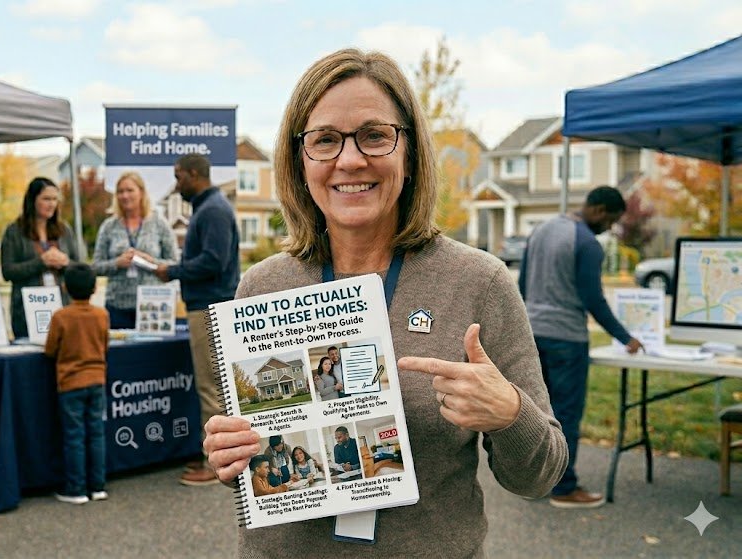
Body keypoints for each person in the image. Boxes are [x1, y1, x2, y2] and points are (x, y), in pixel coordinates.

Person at [203, 48, 567, 557]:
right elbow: (249, 457)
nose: (350, 160)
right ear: (299, 160)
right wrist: (227, 452)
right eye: (325, 140)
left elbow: (541, 475)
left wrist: (510, 413)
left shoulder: (478, 282)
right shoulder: (263, 286)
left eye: (374, 135)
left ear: (410, 153)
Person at [519, 185, 642, 509]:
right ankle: (565, 488)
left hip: (533, 334)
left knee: (537, 413)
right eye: (611, 220)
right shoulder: (587, 243)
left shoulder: (542, 230)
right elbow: (593, 299)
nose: (610, 227)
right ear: (599, 210)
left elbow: (521, 286)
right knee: (566, 414)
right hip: (567, 339)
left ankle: (536, 481)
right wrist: (624, 337)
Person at [155, 154, 240, 486]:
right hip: (208, 305)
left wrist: (171, 270)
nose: (176, 185)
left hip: (209, 306)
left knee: (211, 388)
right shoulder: (210, 208)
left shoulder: (213, 210)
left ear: (194, 174)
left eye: (178, 177)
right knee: (214, 386)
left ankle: (215, 466)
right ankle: (217, 457)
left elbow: (213, 261)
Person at [44, 262, 110, 505]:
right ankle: (98, 485)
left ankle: (76, 488)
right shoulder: (102, 315)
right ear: (94, 288)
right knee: (96, 433)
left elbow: (50, 349)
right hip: (96, 380)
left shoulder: (61, 316)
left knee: (74, 436)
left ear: (65, 287)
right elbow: (105, 346)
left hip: (70, 383)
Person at [1, 177, 86, 339]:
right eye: (46, 199)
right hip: (27, 310)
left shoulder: (64, 230)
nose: (52, 204)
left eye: (55, 199)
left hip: (62, 308)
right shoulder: (14, 231)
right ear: (32, 200)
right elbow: (8, 271)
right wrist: (41, 262)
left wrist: (66, 262)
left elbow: (81, 268)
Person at [92, 171, 179, 329]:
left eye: (130, 190)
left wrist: (150, 261)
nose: (125, 196)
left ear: (141, 193)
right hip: (117, 306)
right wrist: (117, 263)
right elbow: (96, 266)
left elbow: (174, 263)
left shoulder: (159, 223)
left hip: (153, 305)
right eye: (120, 191)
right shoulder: (108, 226)